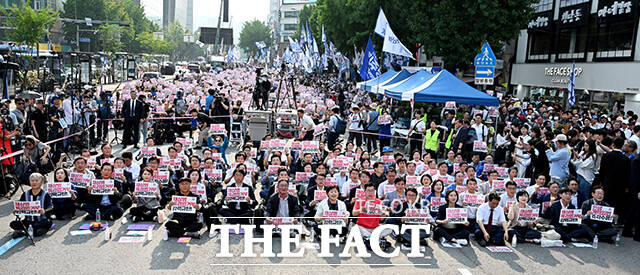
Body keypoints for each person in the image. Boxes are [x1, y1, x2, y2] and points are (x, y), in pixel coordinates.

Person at [10, 173, 53, 238]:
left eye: (36, 180)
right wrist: (16, 211)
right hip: (28, 220)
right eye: (32, 181)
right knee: (13, 224)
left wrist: (44, 211)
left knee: (47, 222)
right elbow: (20, 206)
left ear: (41, 182)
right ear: (29, 182)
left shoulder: (45, 194)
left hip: (41, 220)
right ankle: (33, 231)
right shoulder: (25, 194)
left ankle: (24, 231)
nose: (34, 182)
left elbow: (51, 206)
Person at [599, 137, 630, 225]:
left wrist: (601, 182)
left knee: (607, 202)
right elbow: (627, 174)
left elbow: (602, 171)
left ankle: (606, 221)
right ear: (622, 146)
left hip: (607, 184)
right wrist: (626, 187)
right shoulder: (625, 159)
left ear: (613, 145)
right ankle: (618, 221)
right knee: (618, 203)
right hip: (620, 186)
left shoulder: (606, 156)